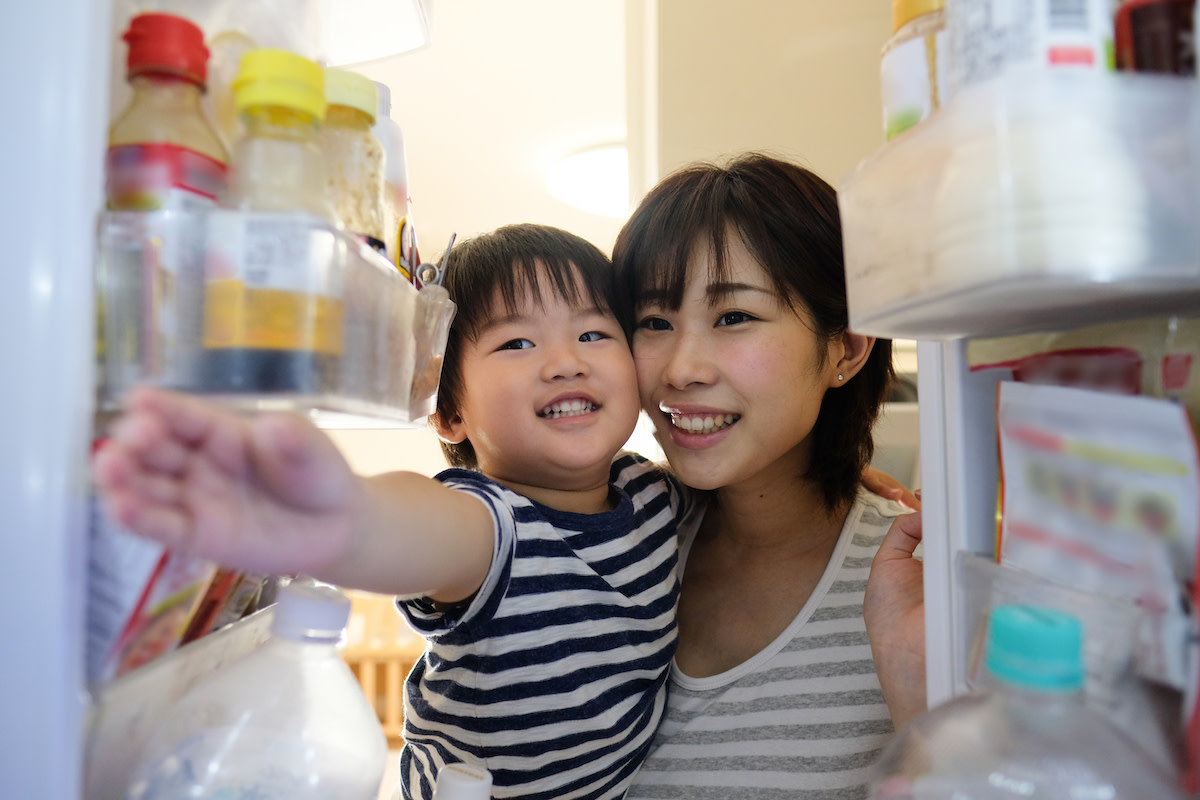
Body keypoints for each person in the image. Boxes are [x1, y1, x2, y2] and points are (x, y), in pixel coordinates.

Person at [94, 224, 693, 800]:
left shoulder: (657, 497)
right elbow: (416, 528)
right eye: (517, 343)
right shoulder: (493, 524)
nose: (566, 361)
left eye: (593, 334)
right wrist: (343, 519)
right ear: (449, 412)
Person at [609, 152, 925, 799]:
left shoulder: (915, 580)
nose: (681, 369)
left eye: (734, 318)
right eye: (653, 322)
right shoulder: (621, 535)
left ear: (847, 347)